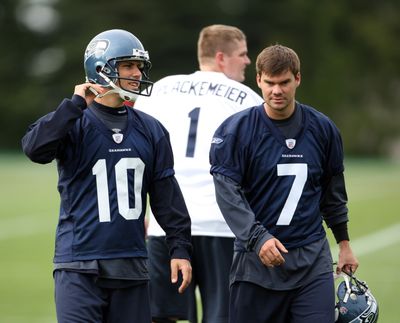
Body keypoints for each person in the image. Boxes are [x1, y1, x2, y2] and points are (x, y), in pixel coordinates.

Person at [21, 29, 192, 323]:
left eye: (139, 66)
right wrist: (74, 105)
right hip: (79, 265)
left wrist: (180, 248)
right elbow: (35, 148)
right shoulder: (73, 121)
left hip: (132, 264)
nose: (137, 73)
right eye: (128, 65)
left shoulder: (151, 129)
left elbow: (166, 197)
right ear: (101, 68)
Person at [209, 44, 359, 323]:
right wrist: (257, 237)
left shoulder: (323, 128)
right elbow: (228, 195)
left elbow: (332, 192)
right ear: (258, 81)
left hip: (311, 260)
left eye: (284, 82)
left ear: (297, 79)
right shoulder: (236, 131)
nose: (277, 91)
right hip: (256, 265)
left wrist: (344, 243)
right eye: (270, 83)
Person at [134, 24, 263, 323]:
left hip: (166, 225)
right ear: (221, 57)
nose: (247, 61)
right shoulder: (247, 98)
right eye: (242, 54)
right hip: (223, 225)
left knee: (162, 317)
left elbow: (139, 156)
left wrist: (143, 212)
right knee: (224, 317)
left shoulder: (159, 91)